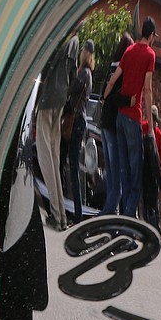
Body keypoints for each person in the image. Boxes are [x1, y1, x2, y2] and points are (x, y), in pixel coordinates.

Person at [103, 16, 156, 218]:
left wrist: (105, 96)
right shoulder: (150, 55)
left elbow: (114, 78)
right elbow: (148, 89)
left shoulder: (128, 51)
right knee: (136, 175)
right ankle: (127, 223)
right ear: (151, 36)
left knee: (124, 170)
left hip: (119, 119)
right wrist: (149, 126)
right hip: (134, 117)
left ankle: (123, 221)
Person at [35, 29, 79, 229]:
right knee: (54, 157)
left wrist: (37, 96)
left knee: (45, 157)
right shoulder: (76, 42)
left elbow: (46, 67)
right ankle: (60, 214)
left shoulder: (62, 37)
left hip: (48, 98)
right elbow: (73, 75)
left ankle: (57, 214)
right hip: (60, 98)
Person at [98, 33, 133, 215]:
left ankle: (108, 213)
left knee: (111, 174)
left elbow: (105, 92)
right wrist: (130, 100)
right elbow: (116, 97)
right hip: (113, 125)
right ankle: (105, 216)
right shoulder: (122, 69)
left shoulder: (111, 67)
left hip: (104, 123)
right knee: (117, 178)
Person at [61, 39, 94, 225]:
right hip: (79, 120)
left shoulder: (85, 73)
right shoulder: (87, 73)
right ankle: (74, 210)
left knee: (73, 165)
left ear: (85, 53)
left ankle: (77, 213)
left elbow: (71, 87)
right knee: (71, 164)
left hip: (76, 120)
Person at [140, 105, 161, 229]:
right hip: (151, 171)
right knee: (151, 200)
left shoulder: (145, 127)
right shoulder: (156, 132)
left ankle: (150, 223)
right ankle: (153, 224)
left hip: (147, 169)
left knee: (148, 200)